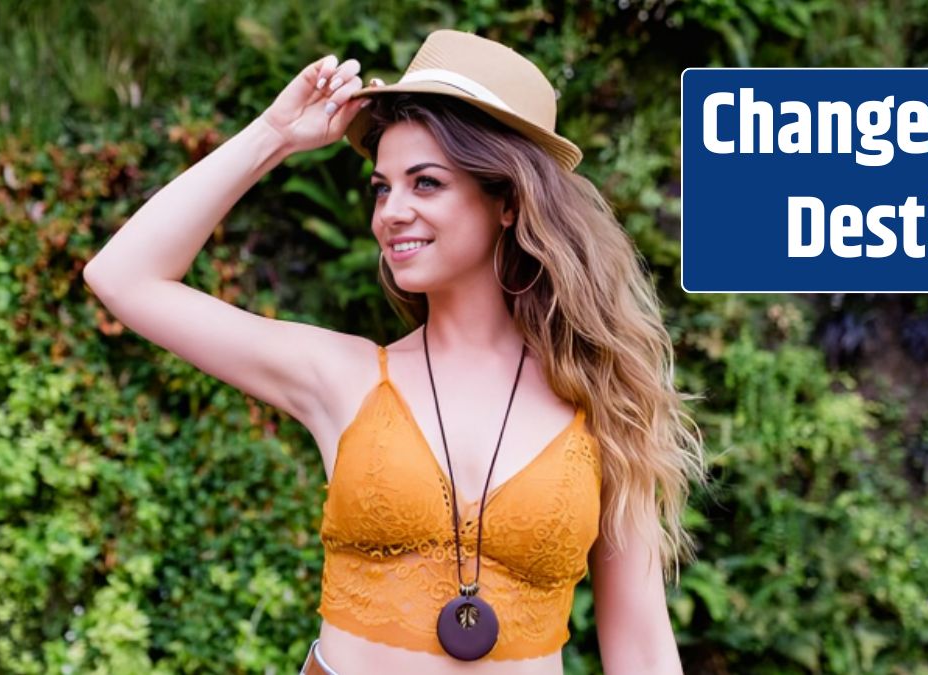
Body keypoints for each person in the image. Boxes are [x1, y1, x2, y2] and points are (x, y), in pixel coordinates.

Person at [84, 29, 704, 675]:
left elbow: (639, 645)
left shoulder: (602, 400)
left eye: (425, 183)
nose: (391, 212)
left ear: (510, 201)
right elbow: (124, 276)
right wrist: (273, 134)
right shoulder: (344, 377)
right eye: (383, 188)